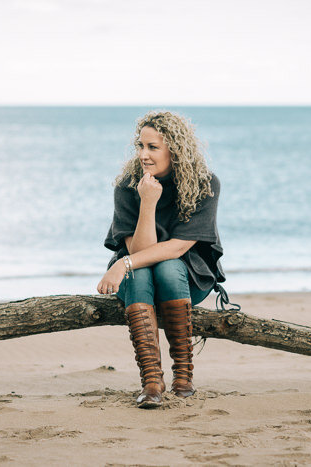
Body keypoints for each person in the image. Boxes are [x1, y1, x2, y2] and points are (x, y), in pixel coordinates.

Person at [97, 110, 227, 409]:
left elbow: (176, 249)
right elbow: (138, 251)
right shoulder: (128, 185)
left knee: (167, 268)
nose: (143, 154)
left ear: (175, 150)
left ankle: (183, 374)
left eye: (152, 147)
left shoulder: (205, 184)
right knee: (140, 273)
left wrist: (121, 264)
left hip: (187, 279)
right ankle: (152, 382)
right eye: (140, 146)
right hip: (137, 282)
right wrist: (147, 202)